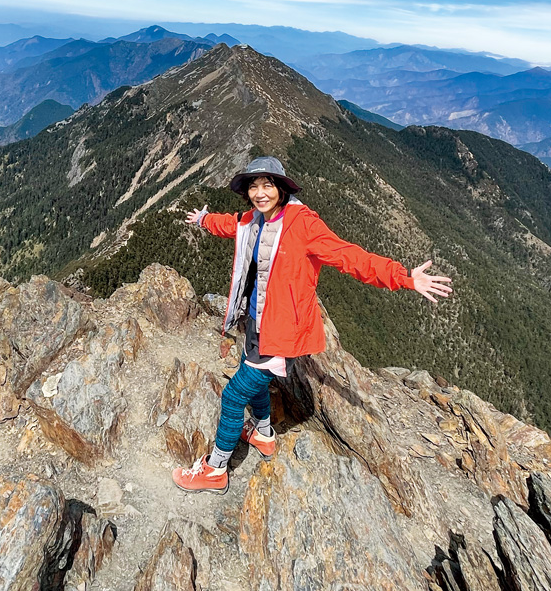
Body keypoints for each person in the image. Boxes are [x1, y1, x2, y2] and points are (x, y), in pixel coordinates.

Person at [173, 156, 453, 493]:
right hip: (255, 324)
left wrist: (404, 277)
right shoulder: (252, 219)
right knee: (256, 383)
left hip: (280, 333)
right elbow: (231, 224)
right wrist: (204, 219)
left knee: (233, 397)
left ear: (281, 187)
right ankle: (263, 434)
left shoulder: (302, 225)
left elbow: (351, 257)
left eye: (267, 185)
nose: (260, 193)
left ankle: (215, 469)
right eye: (253, 186)